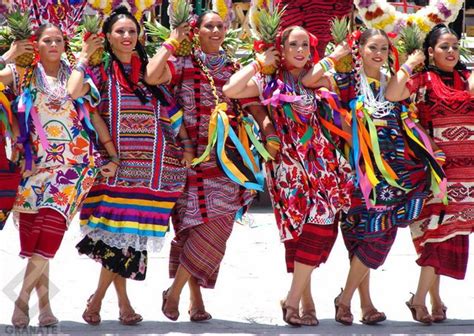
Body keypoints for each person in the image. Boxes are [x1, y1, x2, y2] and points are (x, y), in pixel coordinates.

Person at [302, 28, 445, 325]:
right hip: (357, 173)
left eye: (383, 48)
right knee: (359, 238)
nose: (378, 54)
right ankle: (363, 304)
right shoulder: (344, 82)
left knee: (379, 237)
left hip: (393, 176)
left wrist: (409, 65)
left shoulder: (392, 83)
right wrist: (335, 56)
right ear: (361, 50)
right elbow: (309, 81)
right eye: (372, 48)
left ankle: (345, 299)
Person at [223, 26, 353, 326]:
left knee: (321, 227)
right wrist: (258, 62)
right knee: (298, 231)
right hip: (287, 167)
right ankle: (304, 302)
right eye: (293, 44)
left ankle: (292, 301)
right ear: (280, 48)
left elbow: (323, 91)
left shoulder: (317, 75)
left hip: (320, 163)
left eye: (305, 45)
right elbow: (231, 90)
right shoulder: (267, 80)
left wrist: (332, 59)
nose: (300, 50)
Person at [146, 10, 270, 322]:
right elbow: (151, 75)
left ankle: (174, 292)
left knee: (218, 227)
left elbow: (251, 102)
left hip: (227, 162)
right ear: (196, 30)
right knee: (190, 228)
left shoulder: (233, 65)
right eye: (209, 26)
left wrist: (268, 131)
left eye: (220, 25)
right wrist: (173, 44)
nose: (215, 30)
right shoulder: (183, 63)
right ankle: (195, 301)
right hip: (186, 158)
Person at [74, 7, 187, 325]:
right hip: (117, 168)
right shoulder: (100, 72)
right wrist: (85, 55)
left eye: (132, 31)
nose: (127, 37)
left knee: (125, 238)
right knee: (118, 237)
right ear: (107, 37)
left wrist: (171, 43)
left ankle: (118, 305)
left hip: (152, 170)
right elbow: (75, 95)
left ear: (141, 37)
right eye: (120, 31)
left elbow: (155, 81)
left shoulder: (153, 68)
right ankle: (101, 302)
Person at [0, 23, 105, 328]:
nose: (54, 44)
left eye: (59, 39)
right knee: (36, 243)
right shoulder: (23, 74)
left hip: (73, 167)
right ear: (36, 45)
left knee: (50, 232)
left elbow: (73, 93)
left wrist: (84, 57)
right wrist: (7, 54)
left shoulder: (80, 74)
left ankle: (20, 302)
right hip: (35, 168)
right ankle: (45, 309)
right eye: (47, 40)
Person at [385, 23, 474, 324]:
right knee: (435, 236)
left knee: (452, 234)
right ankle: (419, 299)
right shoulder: (422, 79)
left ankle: (435, 298)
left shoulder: (466, 78)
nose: (451, 51)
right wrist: (409, 64)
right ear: (430, 51)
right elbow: (393, 94)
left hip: (467, 173)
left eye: (455, 46)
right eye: (444, 46)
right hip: (435, 172)